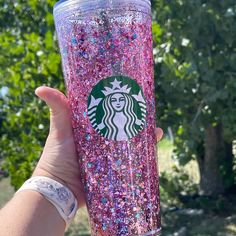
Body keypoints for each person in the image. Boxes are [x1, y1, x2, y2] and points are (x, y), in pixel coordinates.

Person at [0, 86, 163, 236]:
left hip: (147, 218)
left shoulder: (130, 121)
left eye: (122, 99)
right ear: (107, 104)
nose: (118, 103)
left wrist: (57, 178)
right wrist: (58, 178)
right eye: (113, 99)